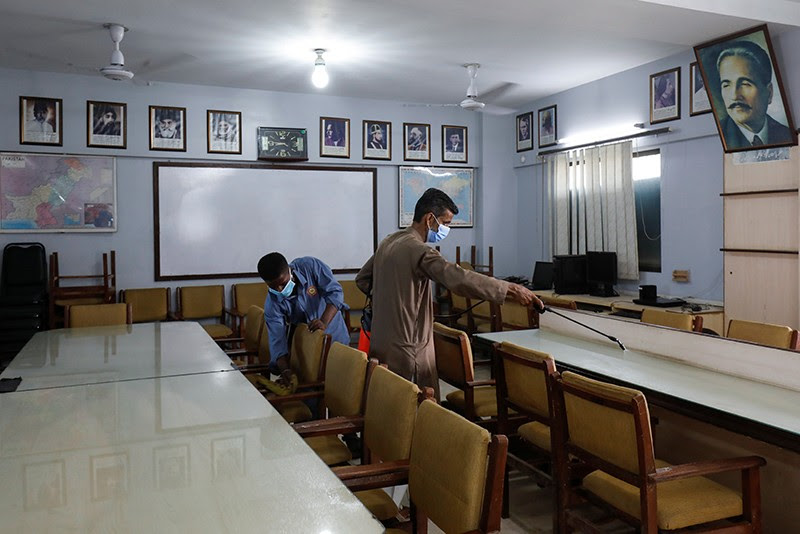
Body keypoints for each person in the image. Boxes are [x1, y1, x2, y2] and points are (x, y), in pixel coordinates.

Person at [355, 188, 541, 399]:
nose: (445, 229)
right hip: (409, 350)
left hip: (381, 345)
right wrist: (509, 288)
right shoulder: (420, 250)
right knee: (415, 413)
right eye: (445, 223)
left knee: (387, 410)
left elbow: (362, 279)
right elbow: (458, 277)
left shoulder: (390, 241)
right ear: (429, 219)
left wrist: (389, 297)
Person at [258, 252, 350, 387]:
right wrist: (285, 370)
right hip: (306, 350)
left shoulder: (310, 267)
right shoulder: (272, 304)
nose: (280, 289)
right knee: (312, 388)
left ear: (289, 271)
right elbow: (277, 340)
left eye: (283, 283)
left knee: (340, 385)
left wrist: (323, 321)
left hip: (335, 335)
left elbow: (335, 293)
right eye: (273, 286)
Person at [716, 40, 792, 149]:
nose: (734, 96)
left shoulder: (787, 135)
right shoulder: (717, 138)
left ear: (769, 93)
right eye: (726, 85)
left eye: (745, 84)